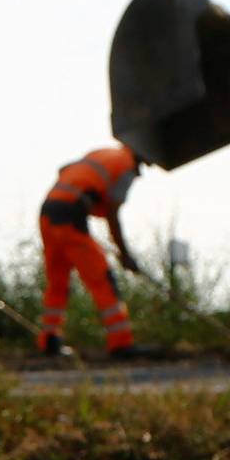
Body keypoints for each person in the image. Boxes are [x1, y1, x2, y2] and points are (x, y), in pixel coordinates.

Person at [39, 143, 143, 357]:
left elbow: (65, 170)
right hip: (70, 215)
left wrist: (85, 200)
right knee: (101, 277)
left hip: (48, 211)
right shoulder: (126, 167)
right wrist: (124, 253)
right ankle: (121, 343)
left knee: (57, 280)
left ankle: (49, 339)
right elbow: (113, 214)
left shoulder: (105, 154)